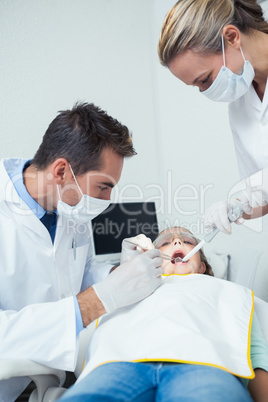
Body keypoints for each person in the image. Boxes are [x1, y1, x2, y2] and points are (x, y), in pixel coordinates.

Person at [0, 102, 163, 401]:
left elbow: (80, 272)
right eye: (103, 186)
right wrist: (96, 301)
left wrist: (118, 273)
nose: (108, 199)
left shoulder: (69, 208)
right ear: (61, 170)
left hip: (54, 378)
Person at [58, 228, 268, 402]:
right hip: (120, 365)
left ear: (202, 266)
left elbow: (255, 357)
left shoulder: (229, 292)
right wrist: (126, 270)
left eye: (186, 240)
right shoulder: (124, 287)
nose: (177, 242)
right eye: (166, 243)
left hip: (203, 366)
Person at [158, 0, 268, 234]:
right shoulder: (239, 108)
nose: (206, 91)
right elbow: (260, 198)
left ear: (231, 37)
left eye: (205, 79)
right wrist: (234, 207)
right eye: (196, 86)